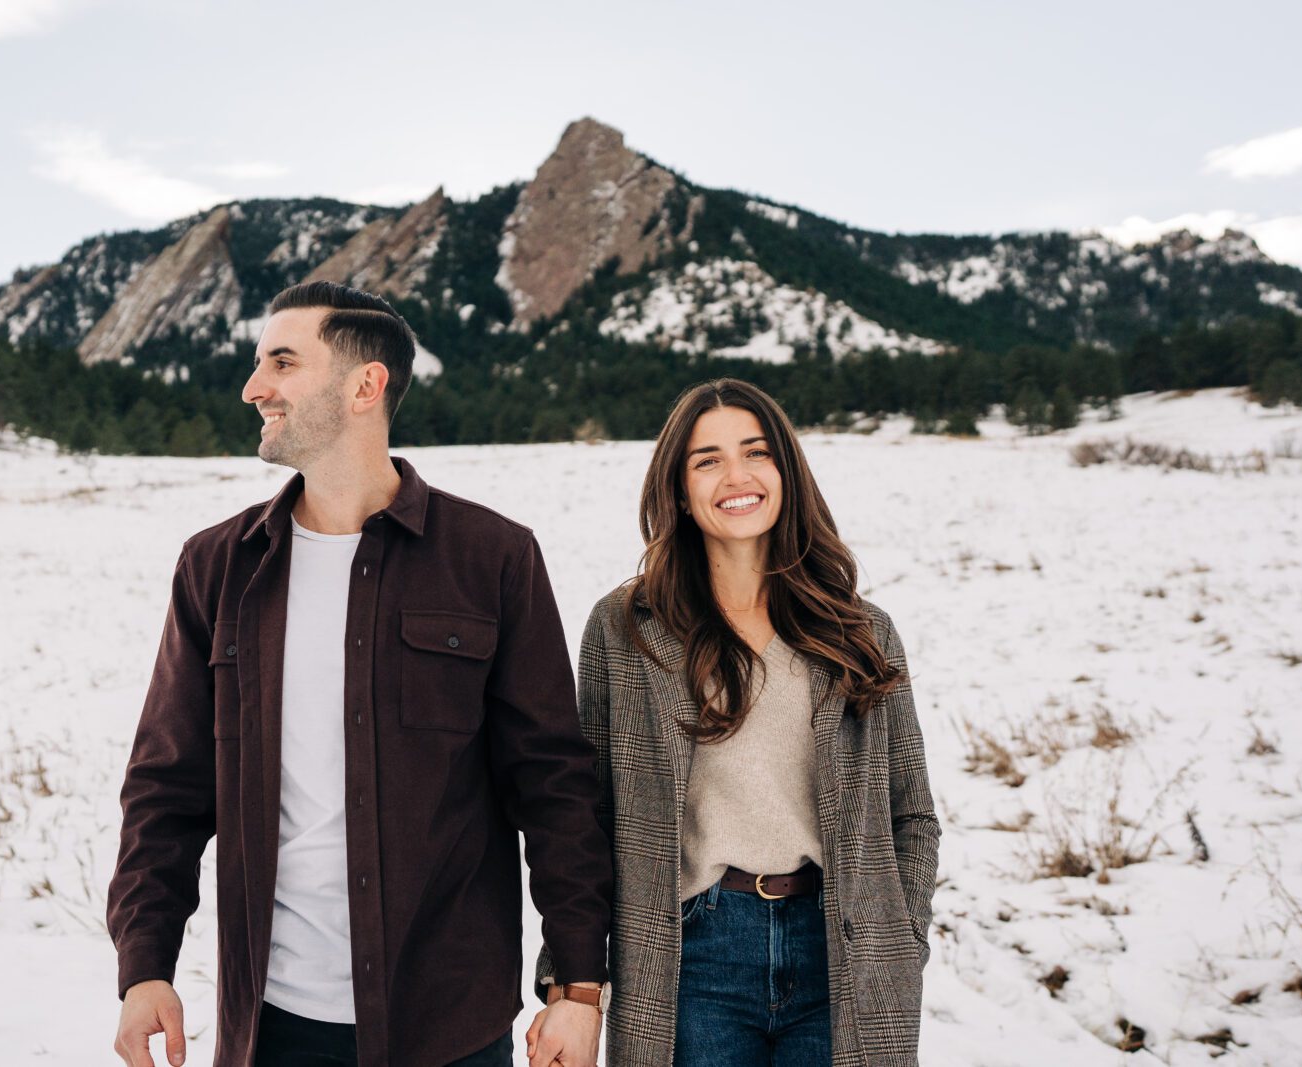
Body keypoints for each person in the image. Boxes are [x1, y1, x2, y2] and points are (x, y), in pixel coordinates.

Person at [108, 281, 612, 1067]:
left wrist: (578, 984)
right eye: (257, 362)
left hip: (448, 1024)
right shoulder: (218, 566)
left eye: (281, 361)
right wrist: (144, 965)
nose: (253, 387)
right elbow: (166, 786)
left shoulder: (492, 558)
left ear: (364, 385)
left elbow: (553, 784)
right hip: (271, 1024)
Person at [528, 378, 940, 1067]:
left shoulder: (861, 630)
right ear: (680, 489)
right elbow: (589, 818)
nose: (737, 476)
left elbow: (913, 815)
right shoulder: (626, 629)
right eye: (707, 459)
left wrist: (901, 939)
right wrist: (573, 983)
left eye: (756, 452)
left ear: (786, 470)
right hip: (694, 958)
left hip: (841, 952)